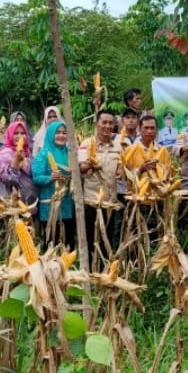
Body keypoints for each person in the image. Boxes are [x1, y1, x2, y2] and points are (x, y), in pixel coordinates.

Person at [78, 110, 123, 265]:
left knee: (108, 240)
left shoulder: (118, 147)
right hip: (92, 202)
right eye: (104, 122)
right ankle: (90, 271)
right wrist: (90, 164)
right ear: (96, 124)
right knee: (91, 240)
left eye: (110, 123)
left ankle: (105, 270)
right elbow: (80, 168)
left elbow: (121, 170)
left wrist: (121, 170)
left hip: (110, 202)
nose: (107, 126)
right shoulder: (86, 144)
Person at [31, 120, 75, 248]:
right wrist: (50, 178)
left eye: (64, 133)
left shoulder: (69, 153)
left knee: (67, 242)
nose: (61, 135)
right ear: (51, 134)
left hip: (66, 203)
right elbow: (36, 177)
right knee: (52, 241)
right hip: (50, 205)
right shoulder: (43, 154)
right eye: (58, 132)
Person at [0, 118, 38, 210]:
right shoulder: (4, 153)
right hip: (9, 204)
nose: (20, 136)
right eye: (16, 133)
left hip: (28, 203)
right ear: (10, 134)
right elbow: (7, 179)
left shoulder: (28, 152)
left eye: (23, 133)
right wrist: (16, 162)